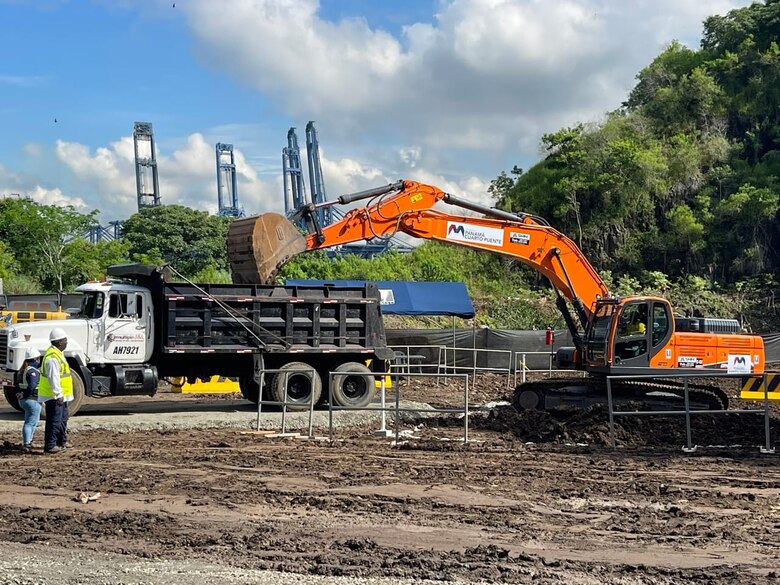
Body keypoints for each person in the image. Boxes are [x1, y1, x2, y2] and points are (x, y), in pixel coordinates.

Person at [37, 327, 73, 454]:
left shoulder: (57, 353)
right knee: (54, 420)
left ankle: (60, 442)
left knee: (62, 419)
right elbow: (54, 377)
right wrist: (58, 394)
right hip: (53, 396)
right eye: (65, 340)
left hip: (62, 395)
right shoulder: (52, 357)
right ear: (59, 342)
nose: (66, 342)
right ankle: (50, 445)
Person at [15, 347, 41, 452]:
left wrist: (19, 394)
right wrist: (25, 394)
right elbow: (32, 386)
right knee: (31, 423)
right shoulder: (33, 371)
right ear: (36, 359)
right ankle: (27, 443)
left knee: (28, 422)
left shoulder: (22, 371)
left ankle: (27, 442)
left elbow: (16, 385)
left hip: (24, 401)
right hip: (32, 400)